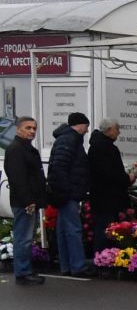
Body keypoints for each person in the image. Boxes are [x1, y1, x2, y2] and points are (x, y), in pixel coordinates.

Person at [4, 118, 48, 285]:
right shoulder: (16, 149)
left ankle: (24, 270)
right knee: (24, 237)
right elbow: (17, 178)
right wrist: (28, 200)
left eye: (34, 128)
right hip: (24, 202)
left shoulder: (26, 148)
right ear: (18, 130)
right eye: (28, 128)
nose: (32, 131)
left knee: (26, 236)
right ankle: (23, 272)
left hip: (30, 200)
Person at [46, 111, 89, 275]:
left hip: (64, 192)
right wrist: (67, 191)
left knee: (64, 230)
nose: (86, 130)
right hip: (68, 193)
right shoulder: (70, 140)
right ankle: (78, 266)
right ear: (81, 125)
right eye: (86, 126)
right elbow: (60, 167)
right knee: (73, 229)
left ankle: (66, 266)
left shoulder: (65, 139)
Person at [86, 118, 132, 253]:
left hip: (103, 196)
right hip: (107, 197)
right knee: (106, 229)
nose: (119, 132)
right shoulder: (104, 148)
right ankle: (103, 259)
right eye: (117, 128)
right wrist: (126, 178)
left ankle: (104, 258)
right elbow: (110, 173)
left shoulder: (97, 146)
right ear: (109, 130)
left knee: (106, 228)